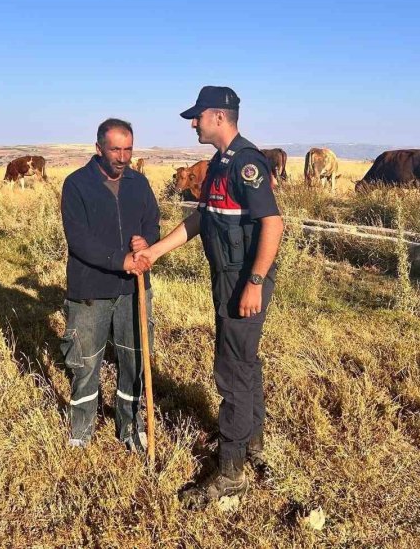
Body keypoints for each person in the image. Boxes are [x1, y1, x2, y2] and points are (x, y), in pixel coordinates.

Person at [134, 86, 283, 506]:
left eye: (197, 117)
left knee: (232, 372)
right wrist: (155, 252)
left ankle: (231, 472)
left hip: (243, 281)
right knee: (245, 363)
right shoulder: (219, 162)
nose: (192, 123)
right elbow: (202, 218)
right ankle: (254, 447)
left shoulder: (246, 163)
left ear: (218, 117)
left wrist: (254, 282)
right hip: (228, 277)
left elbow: (273, 223)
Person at [59, 118, 159, 451]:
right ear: (99, 147)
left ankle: (129, 426)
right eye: (115, 149)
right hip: (91, 289)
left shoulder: (139, 184)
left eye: (128, 148)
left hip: (134, 289)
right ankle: (82, 430)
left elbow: (152, 225)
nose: (122, 156)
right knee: (86, 362)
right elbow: (79, 240)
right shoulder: (77, 185)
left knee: (134, 361)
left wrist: (146, 243)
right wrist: (120, 260)